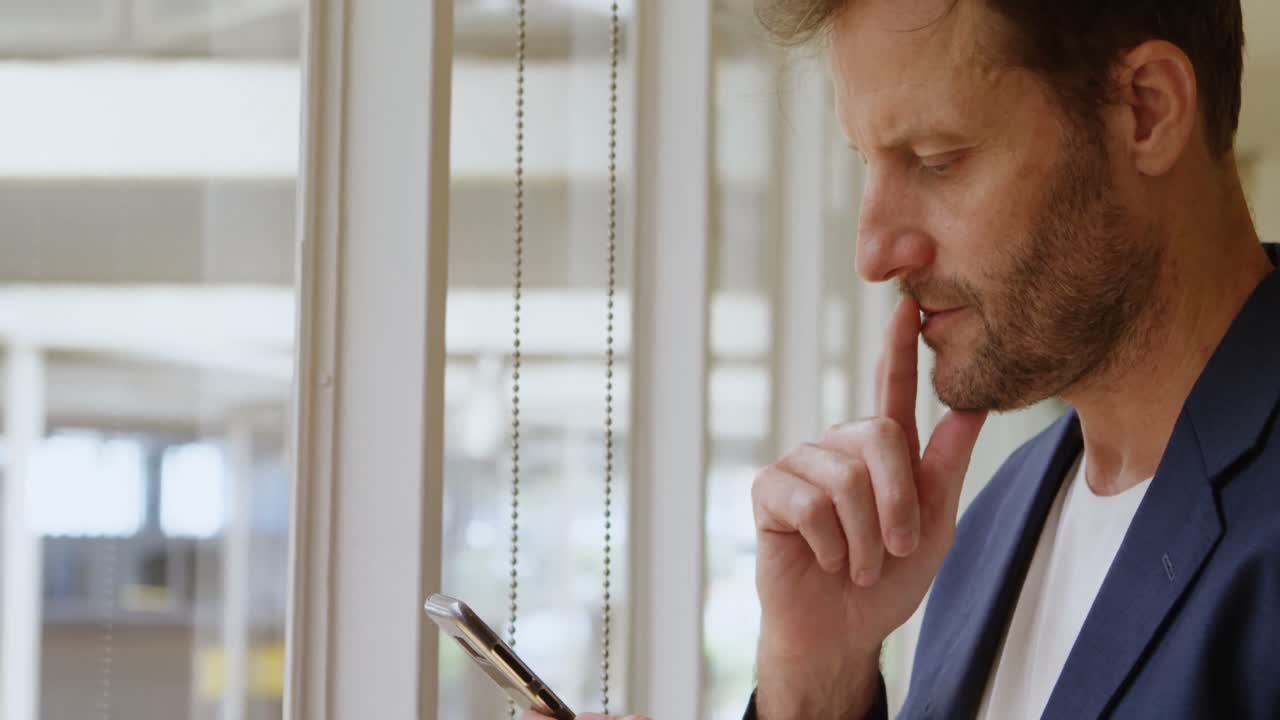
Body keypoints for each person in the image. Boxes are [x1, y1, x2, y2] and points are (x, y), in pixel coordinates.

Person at [529, 0, 1280, 717]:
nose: (873, 252)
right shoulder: (994, 523)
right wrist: (815, 686)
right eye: (866, 161)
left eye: (935, 159)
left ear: (1146, 110)